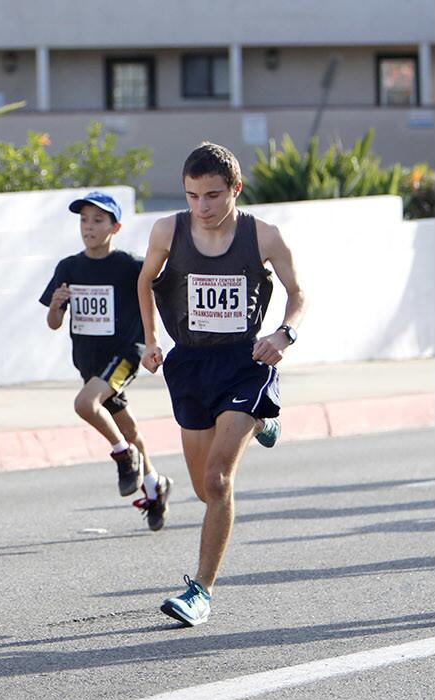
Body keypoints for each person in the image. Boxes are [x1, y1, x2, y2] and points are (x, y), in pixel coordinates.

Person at [137, 141, 305, 626]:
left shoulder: (264, 236)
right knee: (203, 490)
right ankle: (262, 425)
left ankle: (201, 592)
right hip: (190, 364)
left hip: (245, 361)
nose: (202, 207)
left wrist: (284, 333)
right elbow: (145, 281)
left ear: (235, 189)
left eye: (212, 195)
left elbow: (298, 292)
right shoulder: (167, 229)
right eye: (192, 196)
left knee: (219, 479)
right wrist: (149, 339)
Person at [39, 191, 173, 531]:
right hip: (89, 362)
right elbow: (54, 323)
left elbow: (153, 299)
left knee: (85, 404)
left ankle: (122, 456)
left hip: (125, 353)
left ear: (116, 227)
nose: (89, 227)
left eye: (98, 220)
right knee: (129, 429)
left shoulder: (129, 266)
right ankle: (156, 486)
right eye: (84, 220)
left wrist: (152, 342)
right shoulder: (68, 267)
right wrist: (56, 304)